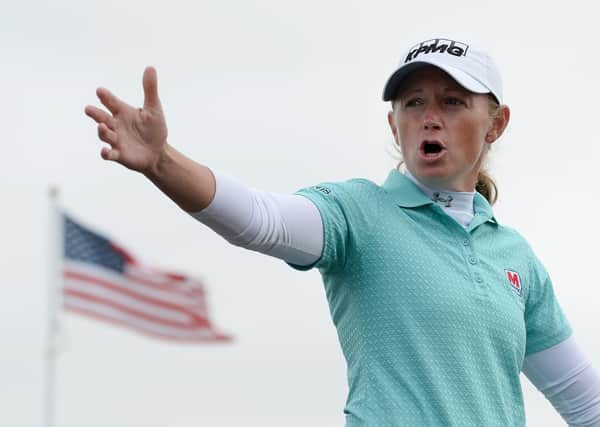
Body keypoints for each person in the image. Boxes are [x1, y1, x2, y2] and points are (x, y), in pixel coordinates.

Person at [84, 37, 600, 426]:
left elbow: (583, 398)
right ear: (393, 123)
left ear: (496, 123)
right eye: (413, 103)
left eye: (452, 101)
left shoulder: (516, 257)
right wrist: (162, 163)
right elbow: (262, 220)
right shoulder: (359, 213)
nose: (429, 118)